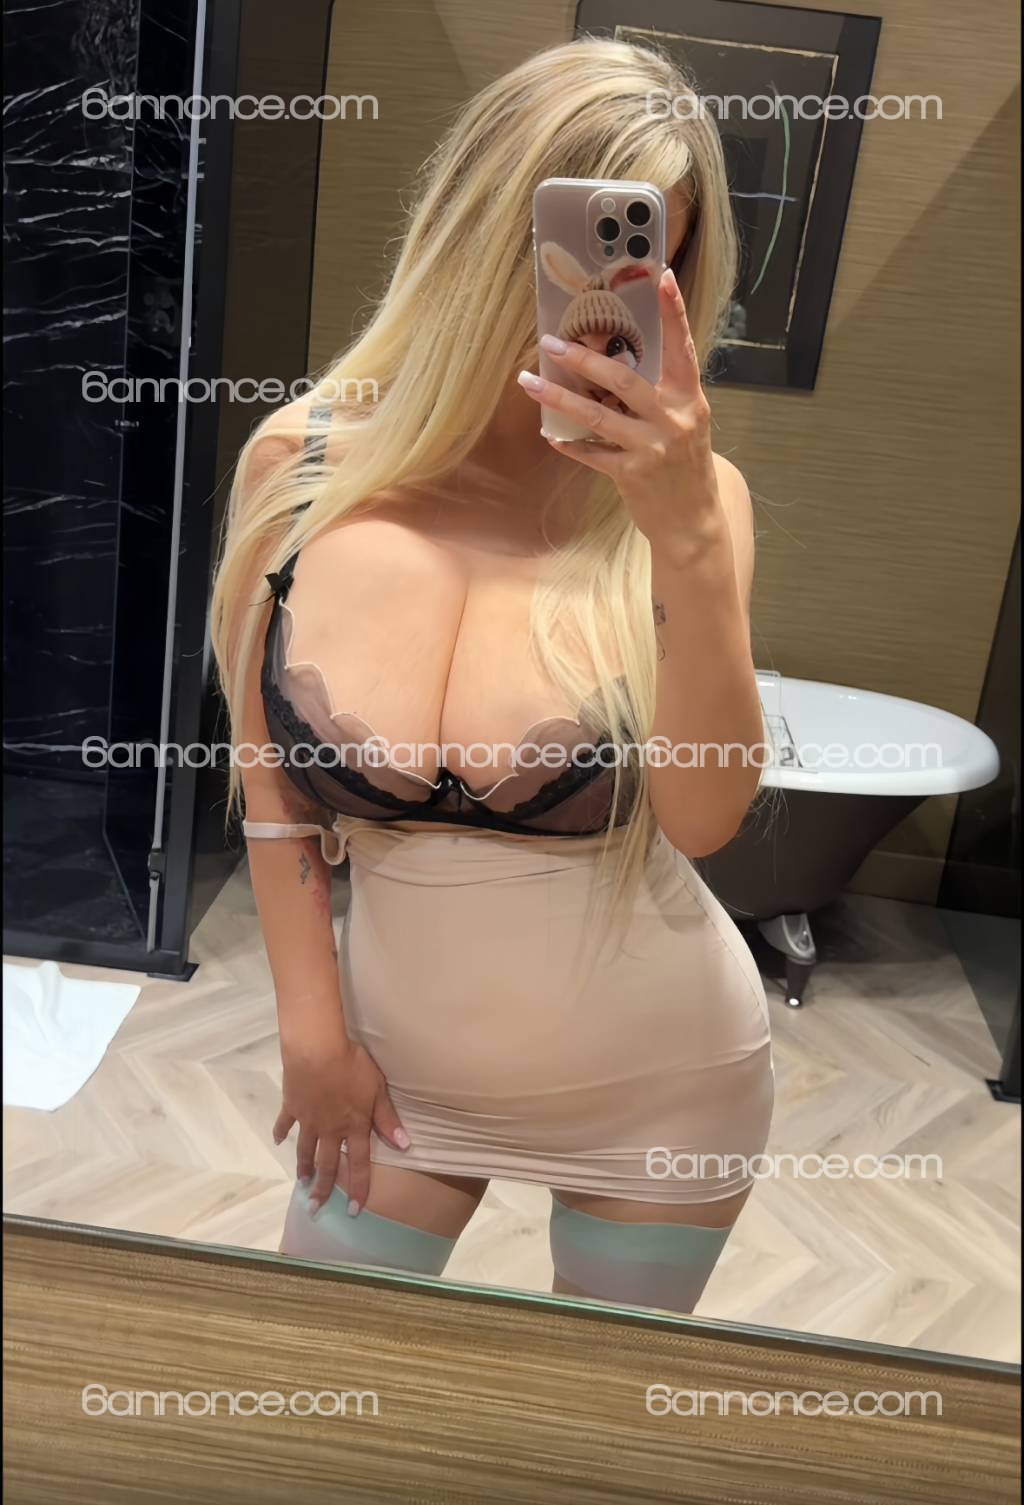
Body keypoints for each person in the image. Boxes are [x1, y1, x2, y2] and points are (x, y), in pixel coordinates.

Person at [210, 37, 773, 1315]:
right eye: (580, 242)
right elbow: (269, 785)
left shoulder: (695, 507)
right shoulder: (298, 466)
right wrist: (310, 1029)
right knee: (319, 1371)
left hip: (664, 1089)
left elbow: (704, 816)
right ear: (480, 228)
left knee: (580, 1406)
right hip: (391, 1077)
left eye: (648, 258)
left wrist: (687, 535)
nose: (603, 294)